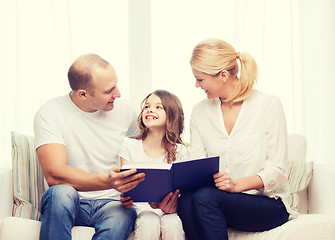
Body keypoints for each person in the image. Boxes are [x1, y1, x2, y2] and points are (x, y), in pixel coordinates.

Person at [177, 39, 297, 240]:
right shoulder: (200, 111)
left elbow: (277, 170)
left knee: (204, 198)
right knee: (186, 200)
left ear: (223, 75)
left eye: (200, 79)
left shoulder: (268, 105)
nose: (196, 85)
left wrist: (236, 185)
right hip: (218, 201)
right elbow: (195, 165)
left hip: (267, 204)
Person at [34, 53, 145, 240]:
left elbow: (152, 145)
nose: (117, 94)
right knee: (61, 192)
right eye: (109, 90)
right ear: (83, 94)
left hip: (113, 203)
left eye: (116, 85)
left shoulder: (124, 109)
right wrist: (108, 181)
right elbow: (54, 174)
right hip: (72, 202)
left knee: (122, 213)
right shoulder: (51, 113)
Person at [120, 90, 187, 240]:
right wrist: (124, 197)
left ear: (172, 114)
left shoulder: (181, 151)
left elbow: (184, 190)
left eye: (159, 107)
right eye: (147, 107)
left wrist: (174, 203)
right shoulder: (129, 146)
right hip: (141, 210)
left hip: (170, 211)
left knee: (173, 224)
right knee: (149, 222)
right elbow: (124, 185)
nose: (150, 110)